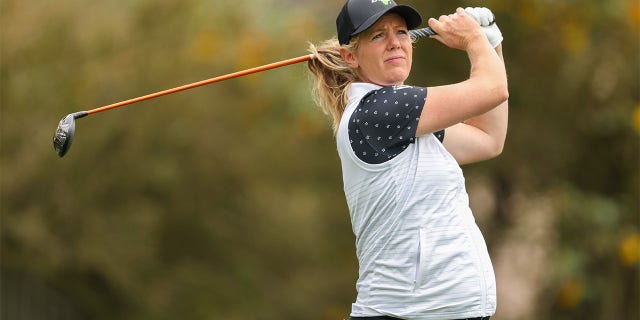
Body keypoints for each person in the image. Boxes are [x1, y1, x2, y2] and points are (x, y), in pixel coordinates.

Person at [307, 0, 508, 319]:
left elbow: (488, 140)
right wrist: (473, 40)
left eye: (401, 32)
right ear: (350, 56)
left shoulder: (406, 122)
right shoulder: (382, 111)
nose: (394, 43)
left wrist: (490, 43)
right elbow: (492, 89)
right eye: (377, 36)